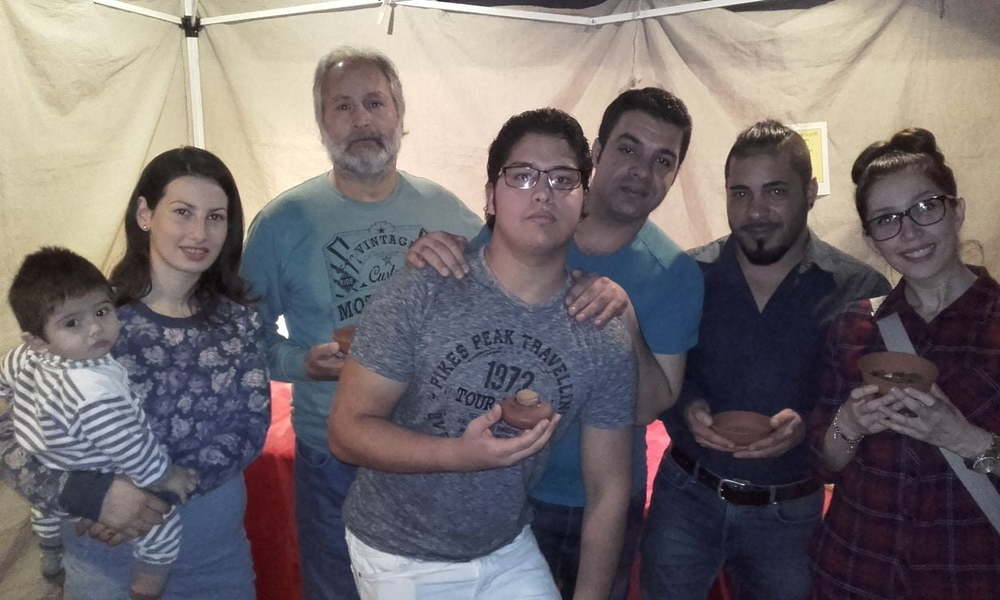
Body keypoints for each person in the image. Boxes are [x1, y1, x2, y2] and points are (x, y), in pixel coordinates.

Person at [329, 108, 636, 600]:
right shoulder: (423, 289)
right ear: (491, 196)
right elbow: (347, 432)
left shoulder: (600, 329)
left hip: (506, 545)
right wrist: (459, 455)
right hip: (398, 551)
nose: (543, 192)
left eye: (563, 178)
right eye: (522, 175)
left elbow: (608, 489)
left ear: (583, 201)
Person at [240, 46, 482, 600]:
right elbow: (243, 343)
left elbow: (494, 302)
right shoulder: (282, 222)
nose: (362, 120)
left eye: (375, 103)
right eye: (343, 106)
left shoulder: (448, 212)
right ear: (322, 122)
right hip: (333, 456)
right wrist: (303, 363)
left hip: (428, 449)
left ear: (400, 114)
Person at [0, 146, 270, 599]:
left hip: (214, 559)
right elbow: (9, 436)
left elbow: (249, 427)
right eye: (182, 212)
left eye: (215, 217)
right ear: (145, 214)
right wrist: (93, 495)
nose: (199, 232)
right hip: (106, 561)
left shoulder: (237, 320)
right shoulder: (89, 319)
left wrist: (156, 498)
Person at [643, 120, 891, 600]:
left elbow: (863, 408)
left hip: (790, 514)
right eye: (740, 194)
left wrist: (808, 427)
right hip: (686, 498)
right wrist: (687, 405)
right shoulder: (688, 274)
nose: (756, 211)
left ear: (810, 193)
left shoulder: (858, 290)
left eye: (775, 191)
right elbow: (660, 372)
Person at [809, 128, 1000, 599]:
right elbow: (823, 462)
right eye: (886, 219)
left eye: (925, 207)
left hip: (968, 574)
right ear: (872, 239)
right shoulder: (854, 325)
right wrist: (849, 424)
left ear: (957, 210)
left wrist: (965, 438)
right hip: (855, 570)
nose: (909, 232)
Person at [2, 247, 198, 600]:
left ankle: (51, 567)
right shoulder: (93, 390)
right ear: (39, 341)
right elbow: (133, 448)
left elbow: (4, 380)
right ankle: (146, 587)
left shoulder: (24, 356)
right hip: (91, 471)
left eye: (102, 311)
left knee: (46, 516)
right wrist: (167, 476)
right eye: (72, 323)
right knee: (164, 528)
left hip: (47, 470)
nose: (95, 329)